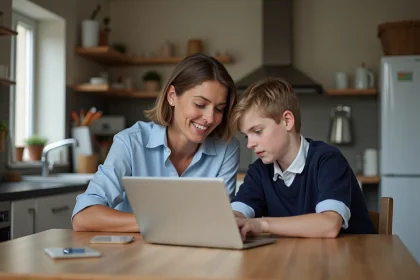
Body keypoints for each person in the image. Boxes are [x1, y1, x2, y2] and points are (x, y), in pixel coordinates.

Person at [72, 53, 239, 232]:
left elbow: (221, 221)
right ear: (172, 96)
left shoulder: (227, 149)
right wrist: (158, 223)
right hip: (135, 255)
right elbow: (83, 216)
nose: (210, 118)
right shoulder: (130, 143)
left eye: (219, 109)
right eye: (200, 104)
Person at [230, 78, 375, 240]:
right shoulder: (259, 171)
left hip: (355, 258)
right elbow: (237, 212)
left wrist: (262, 224)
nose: (250, 144)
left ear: (287, 121)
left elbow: (329, 225)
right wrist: (232, 219)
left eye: (257, 131)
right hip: (303, 258)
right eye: (246, 136)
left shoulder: (328, 161)